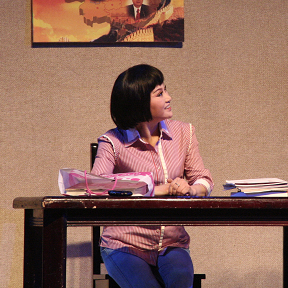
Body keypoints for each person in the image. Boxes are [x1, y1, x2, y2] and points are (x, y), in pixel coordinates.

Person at [92, 64, 214, 288]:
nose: (169, 97)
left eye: (165, 90)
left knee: (180, 281)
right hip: (124, 242)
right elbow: (97, 185)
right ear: (138, 102)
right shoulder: (112, 142)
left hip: (172, 242)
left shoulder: (184, 133)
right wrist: (159, 189)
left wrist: (192, 189)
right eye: (159, 93)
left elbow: (203, 179)